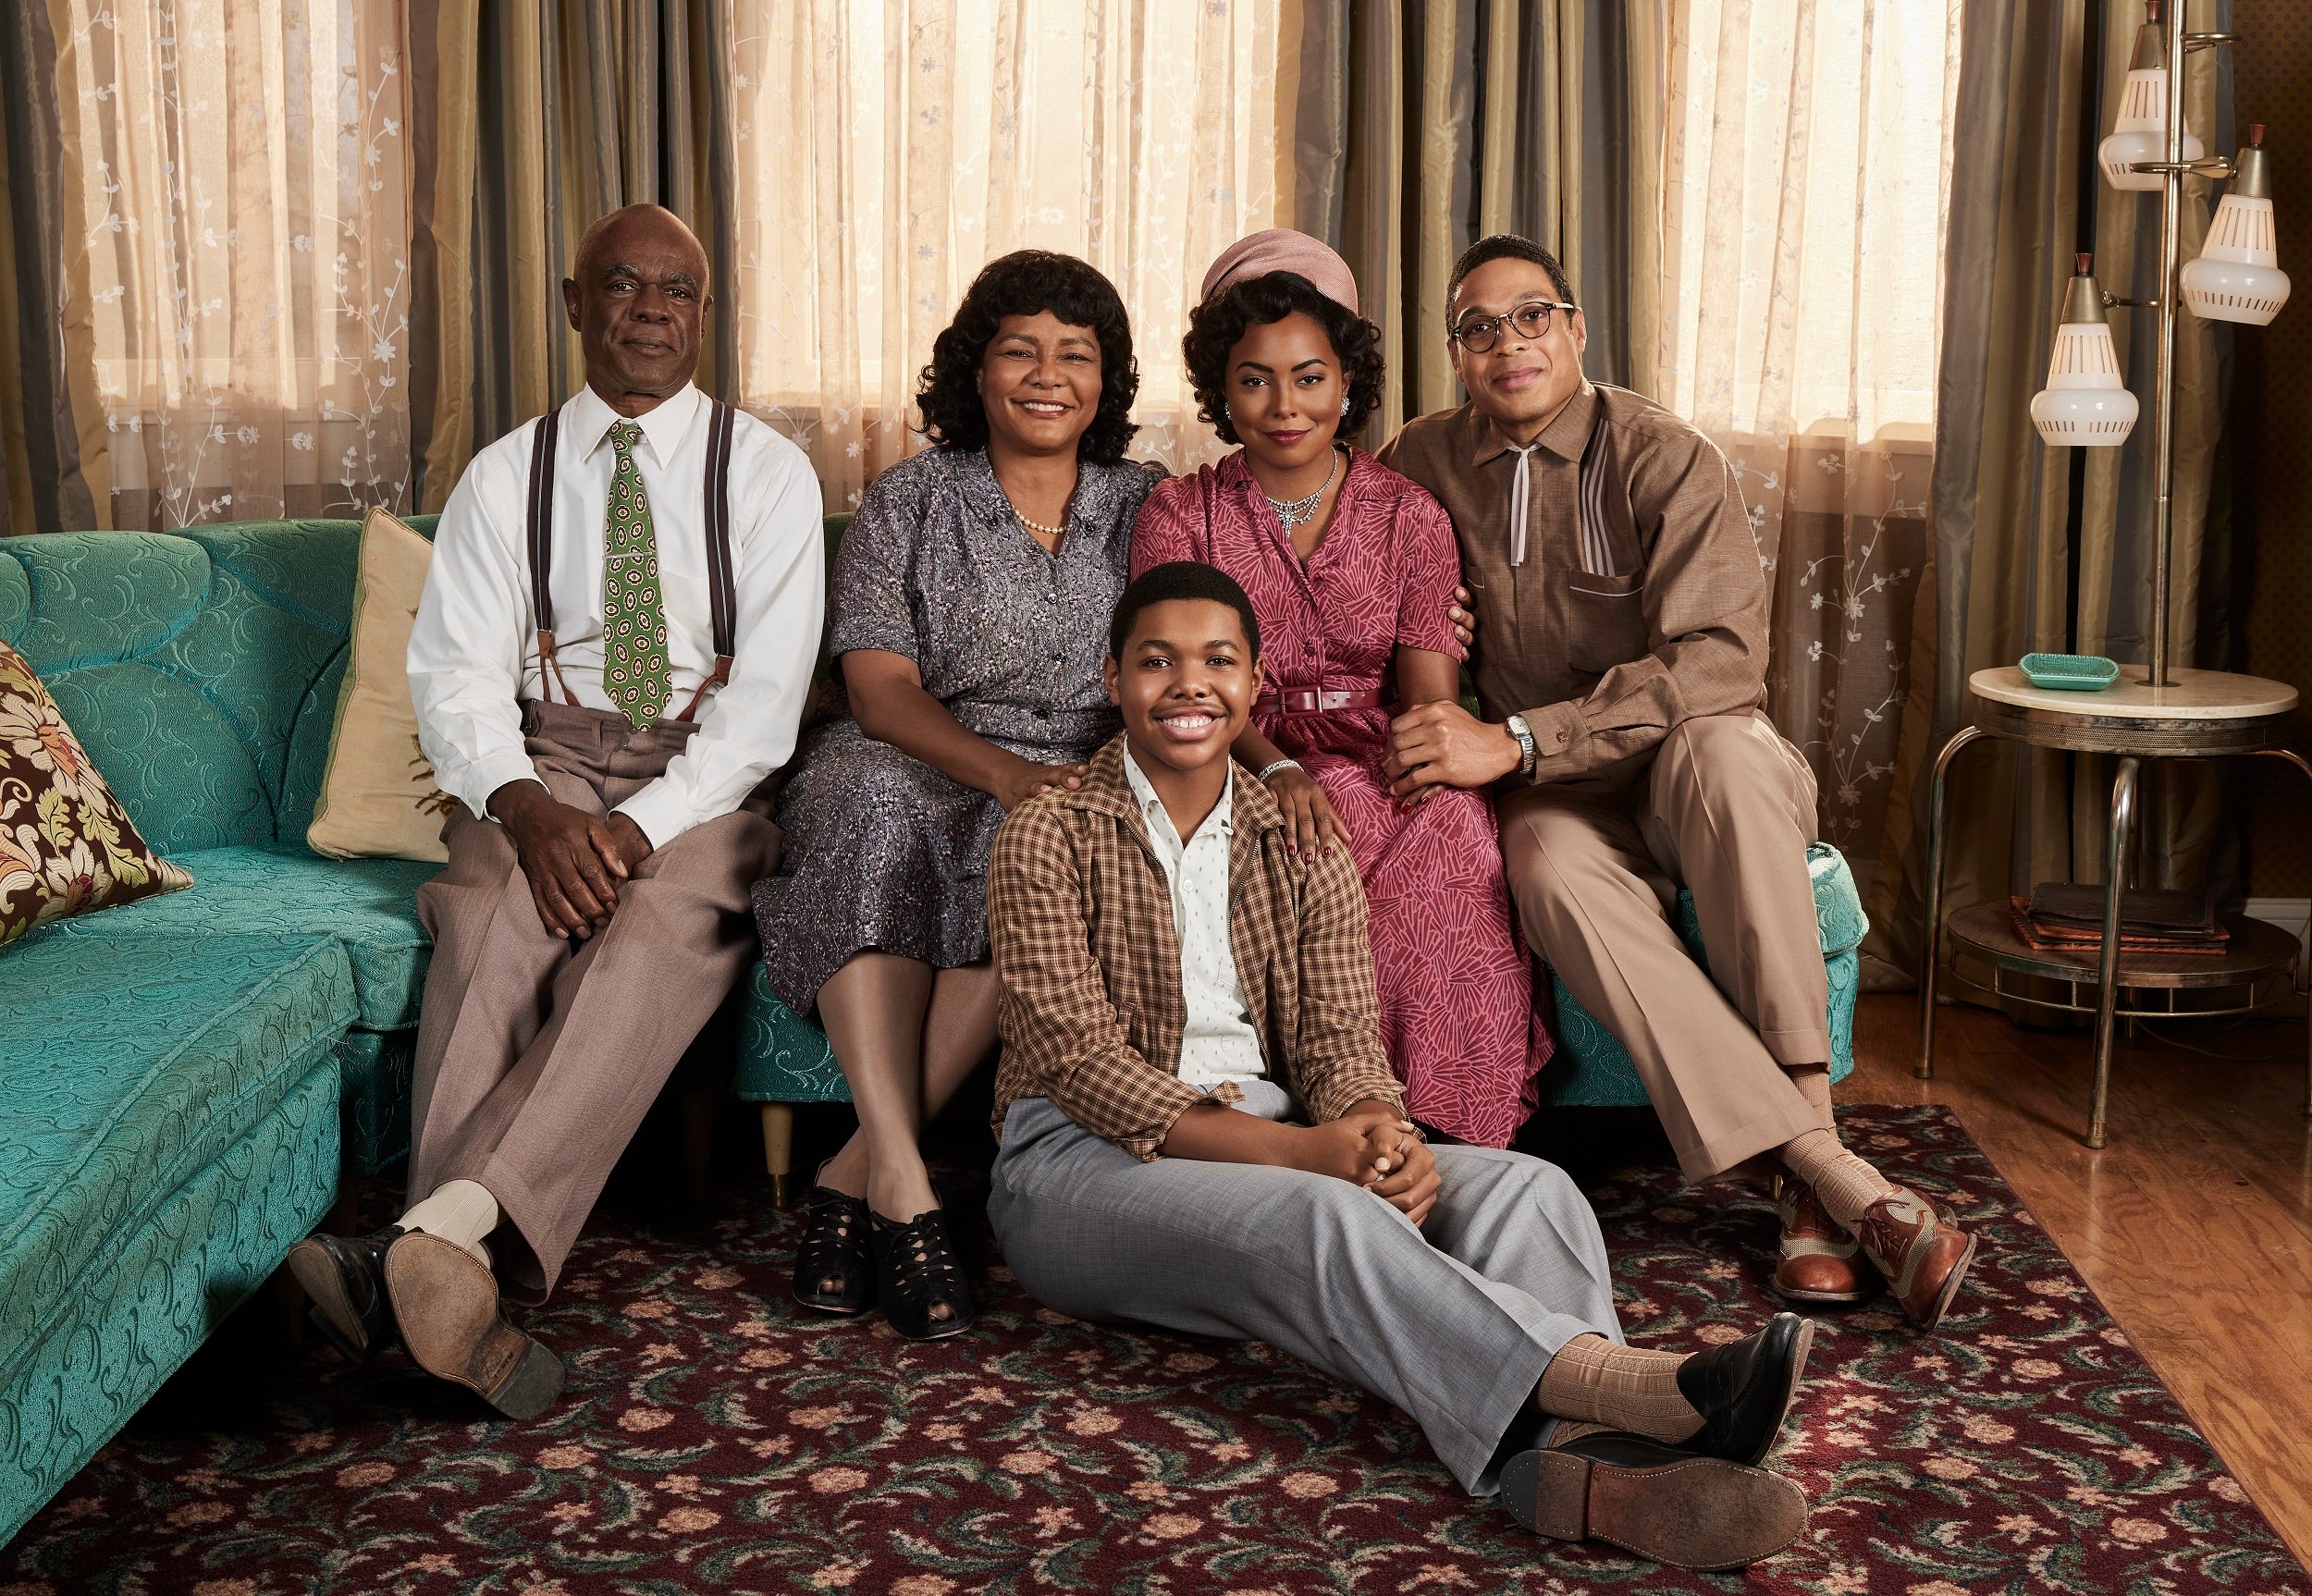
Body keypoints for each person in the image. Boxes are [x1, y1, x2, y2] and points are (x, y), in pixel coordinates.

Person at [982, 561, 1817, 1572]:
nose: (1188, 685)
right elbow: (1080, 1065)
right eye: (1156, 662)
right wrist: (1306, 1156)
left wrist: (1383, 1133)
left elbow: (1339, 1040)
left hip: (1285, 1137)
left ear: (1254, 686)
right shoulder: (1047, 830)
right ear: (1113, 679)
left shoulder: (1294, 834)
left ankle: (1589, 1471)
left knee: (1531, 1190)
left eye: (1218, 662)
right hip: (1075, 1168)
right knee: (1327, 1213)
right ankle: (1650, 1392)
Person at [1375, 233, 1977, 1327]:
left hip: (1681, 762)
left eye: (1532, 316)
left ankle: (1807, 1161)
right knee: (1539, 859)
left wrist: (1511, 737)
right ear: (1456, 353)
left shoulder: (1660, 452)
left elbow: (1716, 665)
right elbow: (1363, 581)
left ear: (1575, 329)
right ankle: (1834, 1182)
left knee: (1732, 759)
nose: (1508, 342)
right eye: (1477, 327)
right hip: (1560, 796)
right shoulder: (1419, 462)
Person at [287, 205, 825, 1416]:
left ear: (703, 314)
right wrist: (528, 810)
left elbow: (766, 708)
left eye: (677, 291)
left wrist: (638, 829)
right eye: (623, 285)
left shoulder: (768, 473)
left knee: (659, 927)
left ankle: (428, 1244)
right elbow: (457, 679)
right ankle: (449, 1276)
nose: (650, 309)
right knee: (483, 913)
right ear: (576, 305)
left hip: (705, 773)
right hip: (548, 761)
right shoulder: (503, 475)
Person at [750, 251, 1162, 1340]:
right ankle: (909, 1181)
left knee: (1043, 836)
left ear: (1107, 379)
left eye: (1076, 354)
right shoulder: (911, 498)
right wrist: (1014, 776)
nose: (1046, 374)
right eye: (1019, 348)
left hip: (1087, 764)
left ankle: (857, 1175)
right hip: (915, 750)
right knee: (874, 810)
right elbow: (879, 691)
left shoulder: (1149, 504)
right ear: (974, 370)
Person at [1130, 230, 1548, 1148]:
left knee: (1449, 827)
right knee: (1333, 819)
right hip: (1225, 755)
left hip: (1374, 745)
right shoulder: (1177, 513)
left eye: (1310, 377)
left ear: (1348, 382)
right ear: (1219, 389)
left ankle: (1449, 1133)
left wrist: (1428, 764)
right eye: (1255, 379)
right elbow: (1179, 686)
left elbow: (1430, 701)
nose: (1285, 406)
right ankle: (1346, 1125)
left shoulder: (1410, 514)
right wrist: (1278, 767)